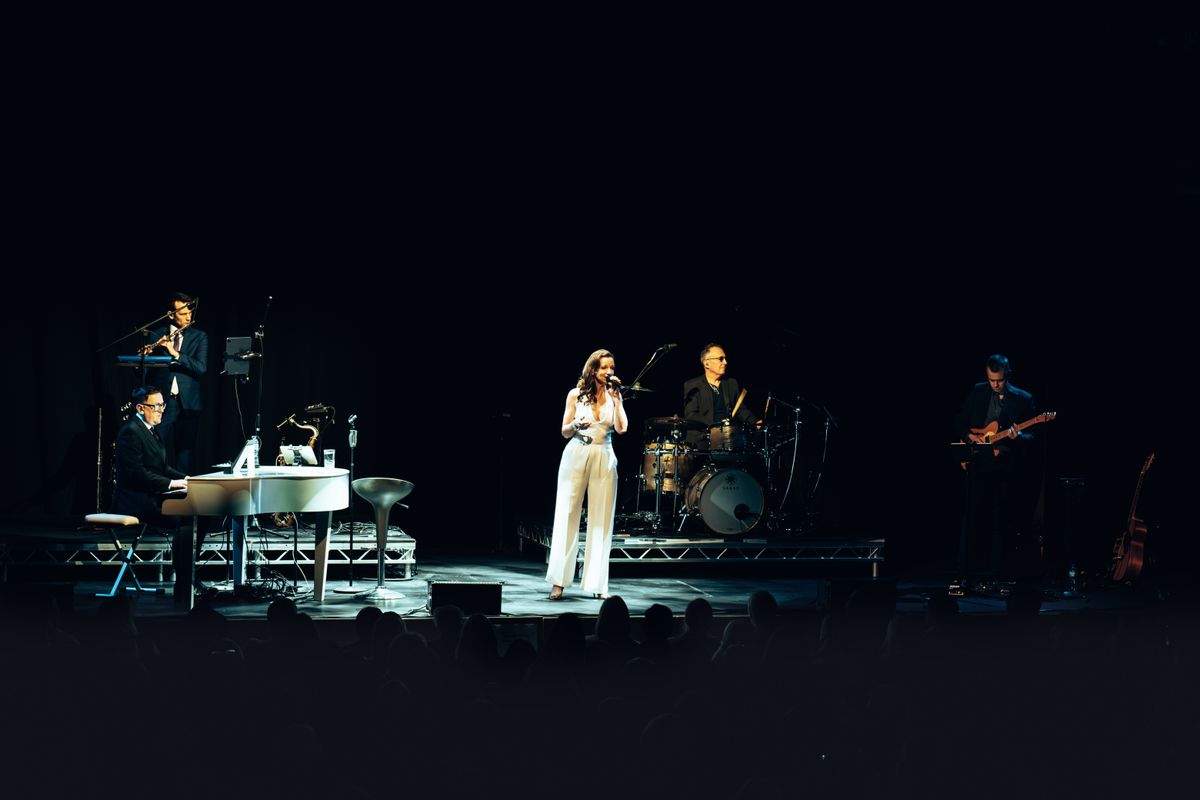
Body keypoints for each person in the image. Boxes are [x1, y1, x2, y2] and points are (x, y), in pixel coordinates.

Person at [546, 349, 628, 600]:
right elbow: (564, 431)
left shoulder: (614, 395)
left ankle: (597, 583)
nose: (609, 372)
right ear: (593, 369)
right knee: (567, 514)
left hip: (604, 454)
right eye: (604, 368)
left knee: (602, 519)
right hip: (577, 453)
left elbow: (622, 428)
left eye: (612, 368)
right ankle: (559, 582)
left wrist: (618, 400)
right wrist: (575, 425)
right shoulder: (576, 394)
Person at [952, 353, 1039, 586]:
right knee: (971, 519)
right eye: (992, 380)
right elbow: (960, 421)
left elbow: (1033, 437)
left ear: (1007, 375)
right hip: (979, 463)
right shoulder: (978, 391)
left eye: (999, 380)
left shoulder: (1023, 399)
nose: (995, 385)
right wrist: (968, 437)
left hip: (1005, 467)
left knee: (1001, 522)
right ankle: (963, 573)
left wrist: (1019, 436)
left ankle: (997, 575)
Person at [111, 385, 191, 600]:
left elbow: (163, 468)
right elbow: (137, 474)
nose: (161, 410)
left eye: (163, 405)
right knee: (183, 522)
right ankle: (184, 581)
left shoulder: (151, 430)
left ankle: (188, 577)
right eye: (156, 406)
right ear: (140, 407)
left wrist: (188, 479)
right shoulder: (130, 432)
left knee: (196, 516)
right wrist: (171, 484)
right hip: (135, 502)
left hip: (152, 497)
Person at [146, 292, 207, 475]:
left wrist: (176, 354)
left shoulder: (199, 336)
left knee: (185, 458)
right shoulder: (156, 335)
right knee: (157, 453)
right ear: (171, 315)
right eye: (183, 313)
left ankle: (184, 492)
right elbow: (145, 373)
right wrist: (144, 358)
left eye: (190, 312)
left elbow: (201, 367)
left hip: (188, 404)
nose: (188, 317)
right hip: (161, 404)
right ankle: (158, 490)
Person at [682, 343, 760, 450]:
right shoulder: (693, 385)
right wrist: (717, 425)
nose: (725, 362)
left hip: (728, 439)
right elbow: (691, 415)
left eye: (725, 358)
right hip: (702, 440)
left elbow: (740, 410)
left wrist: (755, 422)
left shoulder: (731, 383)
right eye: (721, 359)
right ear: (707, 363)